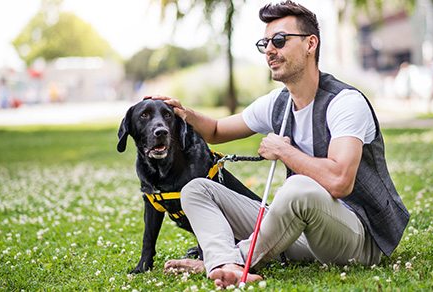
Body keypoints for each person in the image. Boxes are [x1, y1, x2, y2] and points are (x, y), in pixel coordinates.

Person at [153, 1, 410, 289]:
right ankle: (225, 264)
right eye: (265, 43)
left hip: (358, 239)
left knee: (297, 187)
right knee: (196, 189)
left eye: (279, 40)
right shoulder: (279, 102)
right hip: (300, 232)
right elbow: (215, 130)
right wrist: (186, 114)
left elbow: (340, 182)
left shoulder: (345, 103)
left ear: (310, 44)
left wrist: (285, 151)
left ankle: (230, 261)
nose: (270, 50)